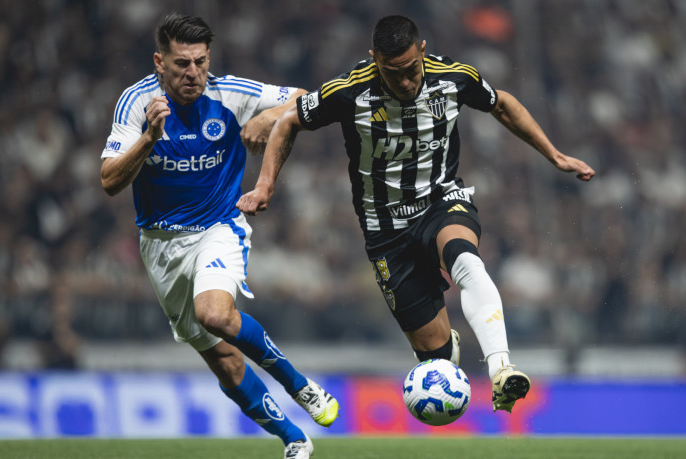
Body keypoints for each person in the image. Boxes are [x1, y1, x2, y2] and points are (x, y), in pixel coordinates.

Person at [238, 15, 595, 414]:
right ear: (375, 61)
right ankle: (446, 349)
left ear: (422, 51)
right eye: (394, 74)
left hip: (441, 200)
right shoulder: (349, 91)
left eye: (411, 70)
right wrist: (265, 184)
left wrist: (555, 155)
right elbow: (289, 122)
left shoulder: (453, 77)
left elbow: (503, 104)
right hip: (384, 229)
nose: (406, 82)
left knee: (464, 258)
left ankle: (501, 370)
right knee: (436, 353)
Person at [100, 14, 337, 458]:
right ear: (159, 62)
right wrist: (149, 138)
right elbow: (110, 181)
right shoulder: (135, 104)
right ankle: (295, 440)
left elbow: (309, 98)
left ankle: (301, 386)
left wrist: (268, 116)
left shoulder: (229, 92)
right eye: (181, 64)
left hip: (218, 227)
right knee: (226, 364)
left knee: (214, 313)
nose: (193, 73)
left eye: (201, 62)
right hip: (160, 246)